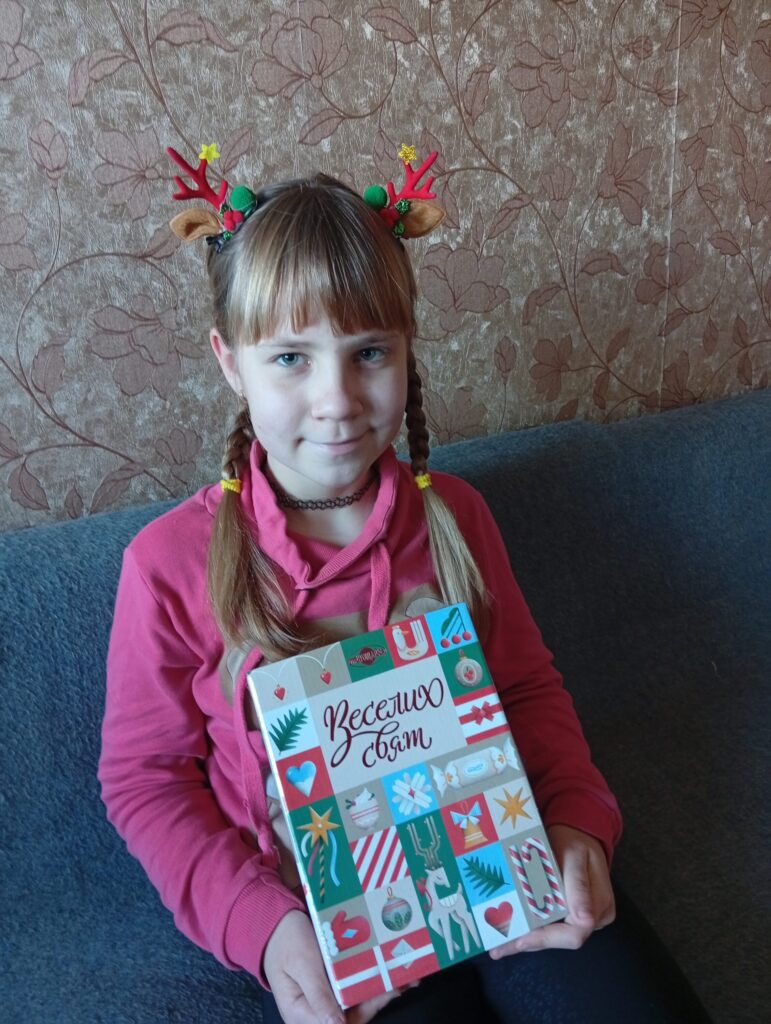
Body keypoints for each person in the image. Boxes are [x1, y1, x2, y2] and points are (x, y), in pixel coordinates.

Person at [99, 143, 710, 1024]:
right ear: (230, 361)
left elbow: (526, 690)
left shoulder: (454, 516)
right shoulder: (167, 564)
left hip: (503, 865)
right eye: (290, 358)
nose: (337, 399)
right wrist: (265, 931)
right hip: (333, 926)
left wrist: (577, 820)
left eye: (368, 352)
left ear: (406, 349)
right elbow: (145, 781)